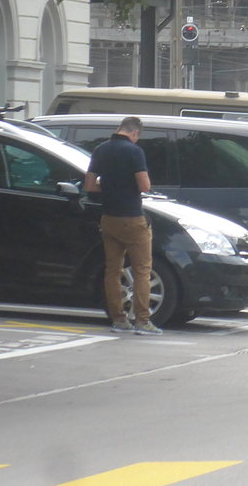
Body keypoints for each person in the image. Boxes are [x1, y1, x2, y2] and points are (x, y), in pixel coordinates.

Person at [83, 116, 162, 336]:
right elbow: (144, 186)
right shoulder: (134, 152)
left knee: (113, 270)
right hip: (133, 219)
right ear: (135, 133)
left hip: (109, 218)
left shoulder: (101, 149)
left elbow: (89, 185)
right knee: (142, 271)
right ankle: (142, 321)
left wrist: (110, 188)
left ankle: (119, 319)